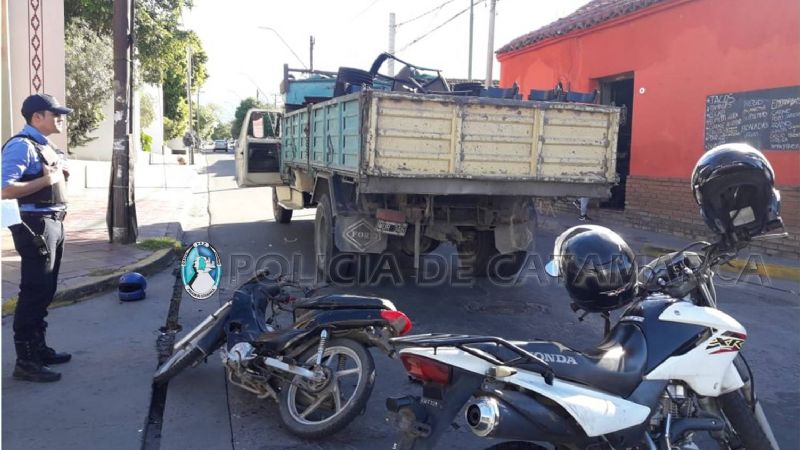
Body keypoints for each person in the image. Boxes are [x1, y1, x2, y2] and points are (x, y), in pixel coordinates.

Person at [1, 93, 73, 382]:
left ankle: (38, 349)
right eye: (53, 113)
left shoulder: (44, 145)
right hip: (35, 225)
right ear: (36, 118)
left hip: (51, 222)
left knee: (46, 289)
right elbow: (4, 189)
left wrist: (59, 174)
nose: (60, 117)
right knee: (34, 290)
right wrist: (46, 180)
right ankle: (26, 361)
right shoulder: (22, 146)